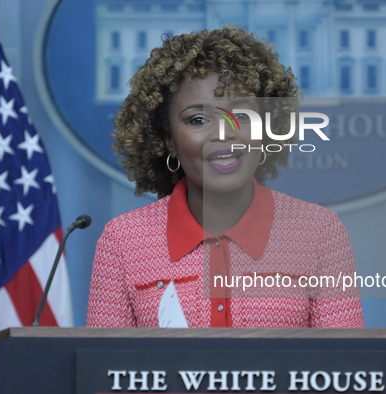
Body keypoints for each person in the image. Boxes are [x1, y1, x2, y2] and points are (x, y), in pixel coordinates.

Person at [86, 26, 364, 328]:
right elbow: (104, 372)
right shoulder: (122, 242)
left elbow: (344, 371)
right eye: (198, 119)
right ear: (167, 140)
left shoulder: (319, 233)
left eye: (242, 115)